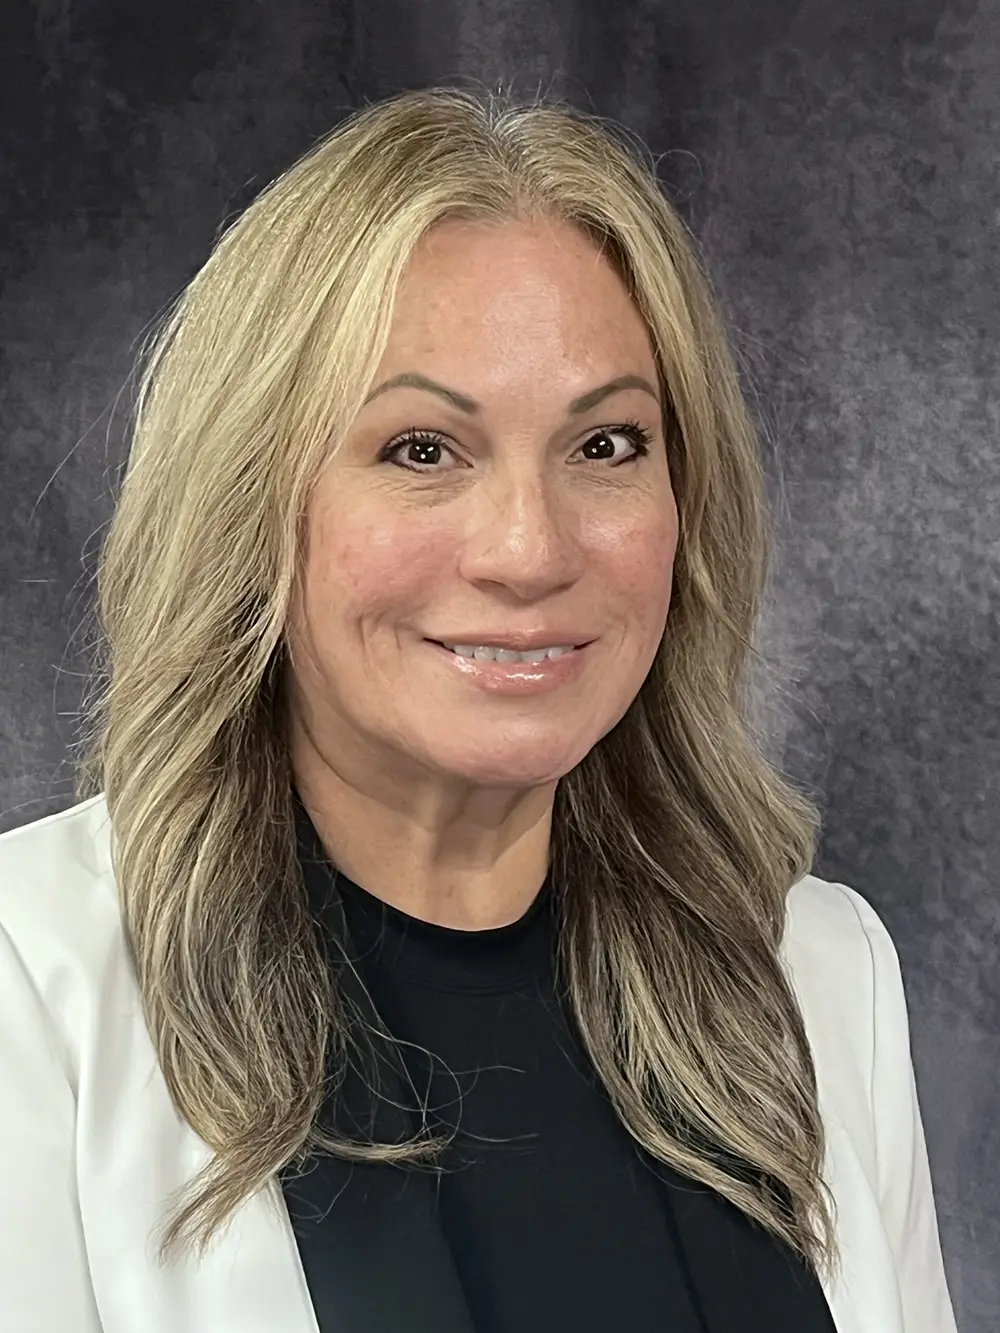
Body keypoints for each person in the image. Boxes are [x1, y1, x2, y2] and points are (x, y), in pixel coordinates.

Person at [0, 86, 956, 1333]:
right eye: (420, 450)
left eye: (605, 445)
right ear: (252, 508)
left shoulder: (820, 973)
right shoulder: (33, 988)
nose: (528, 549)